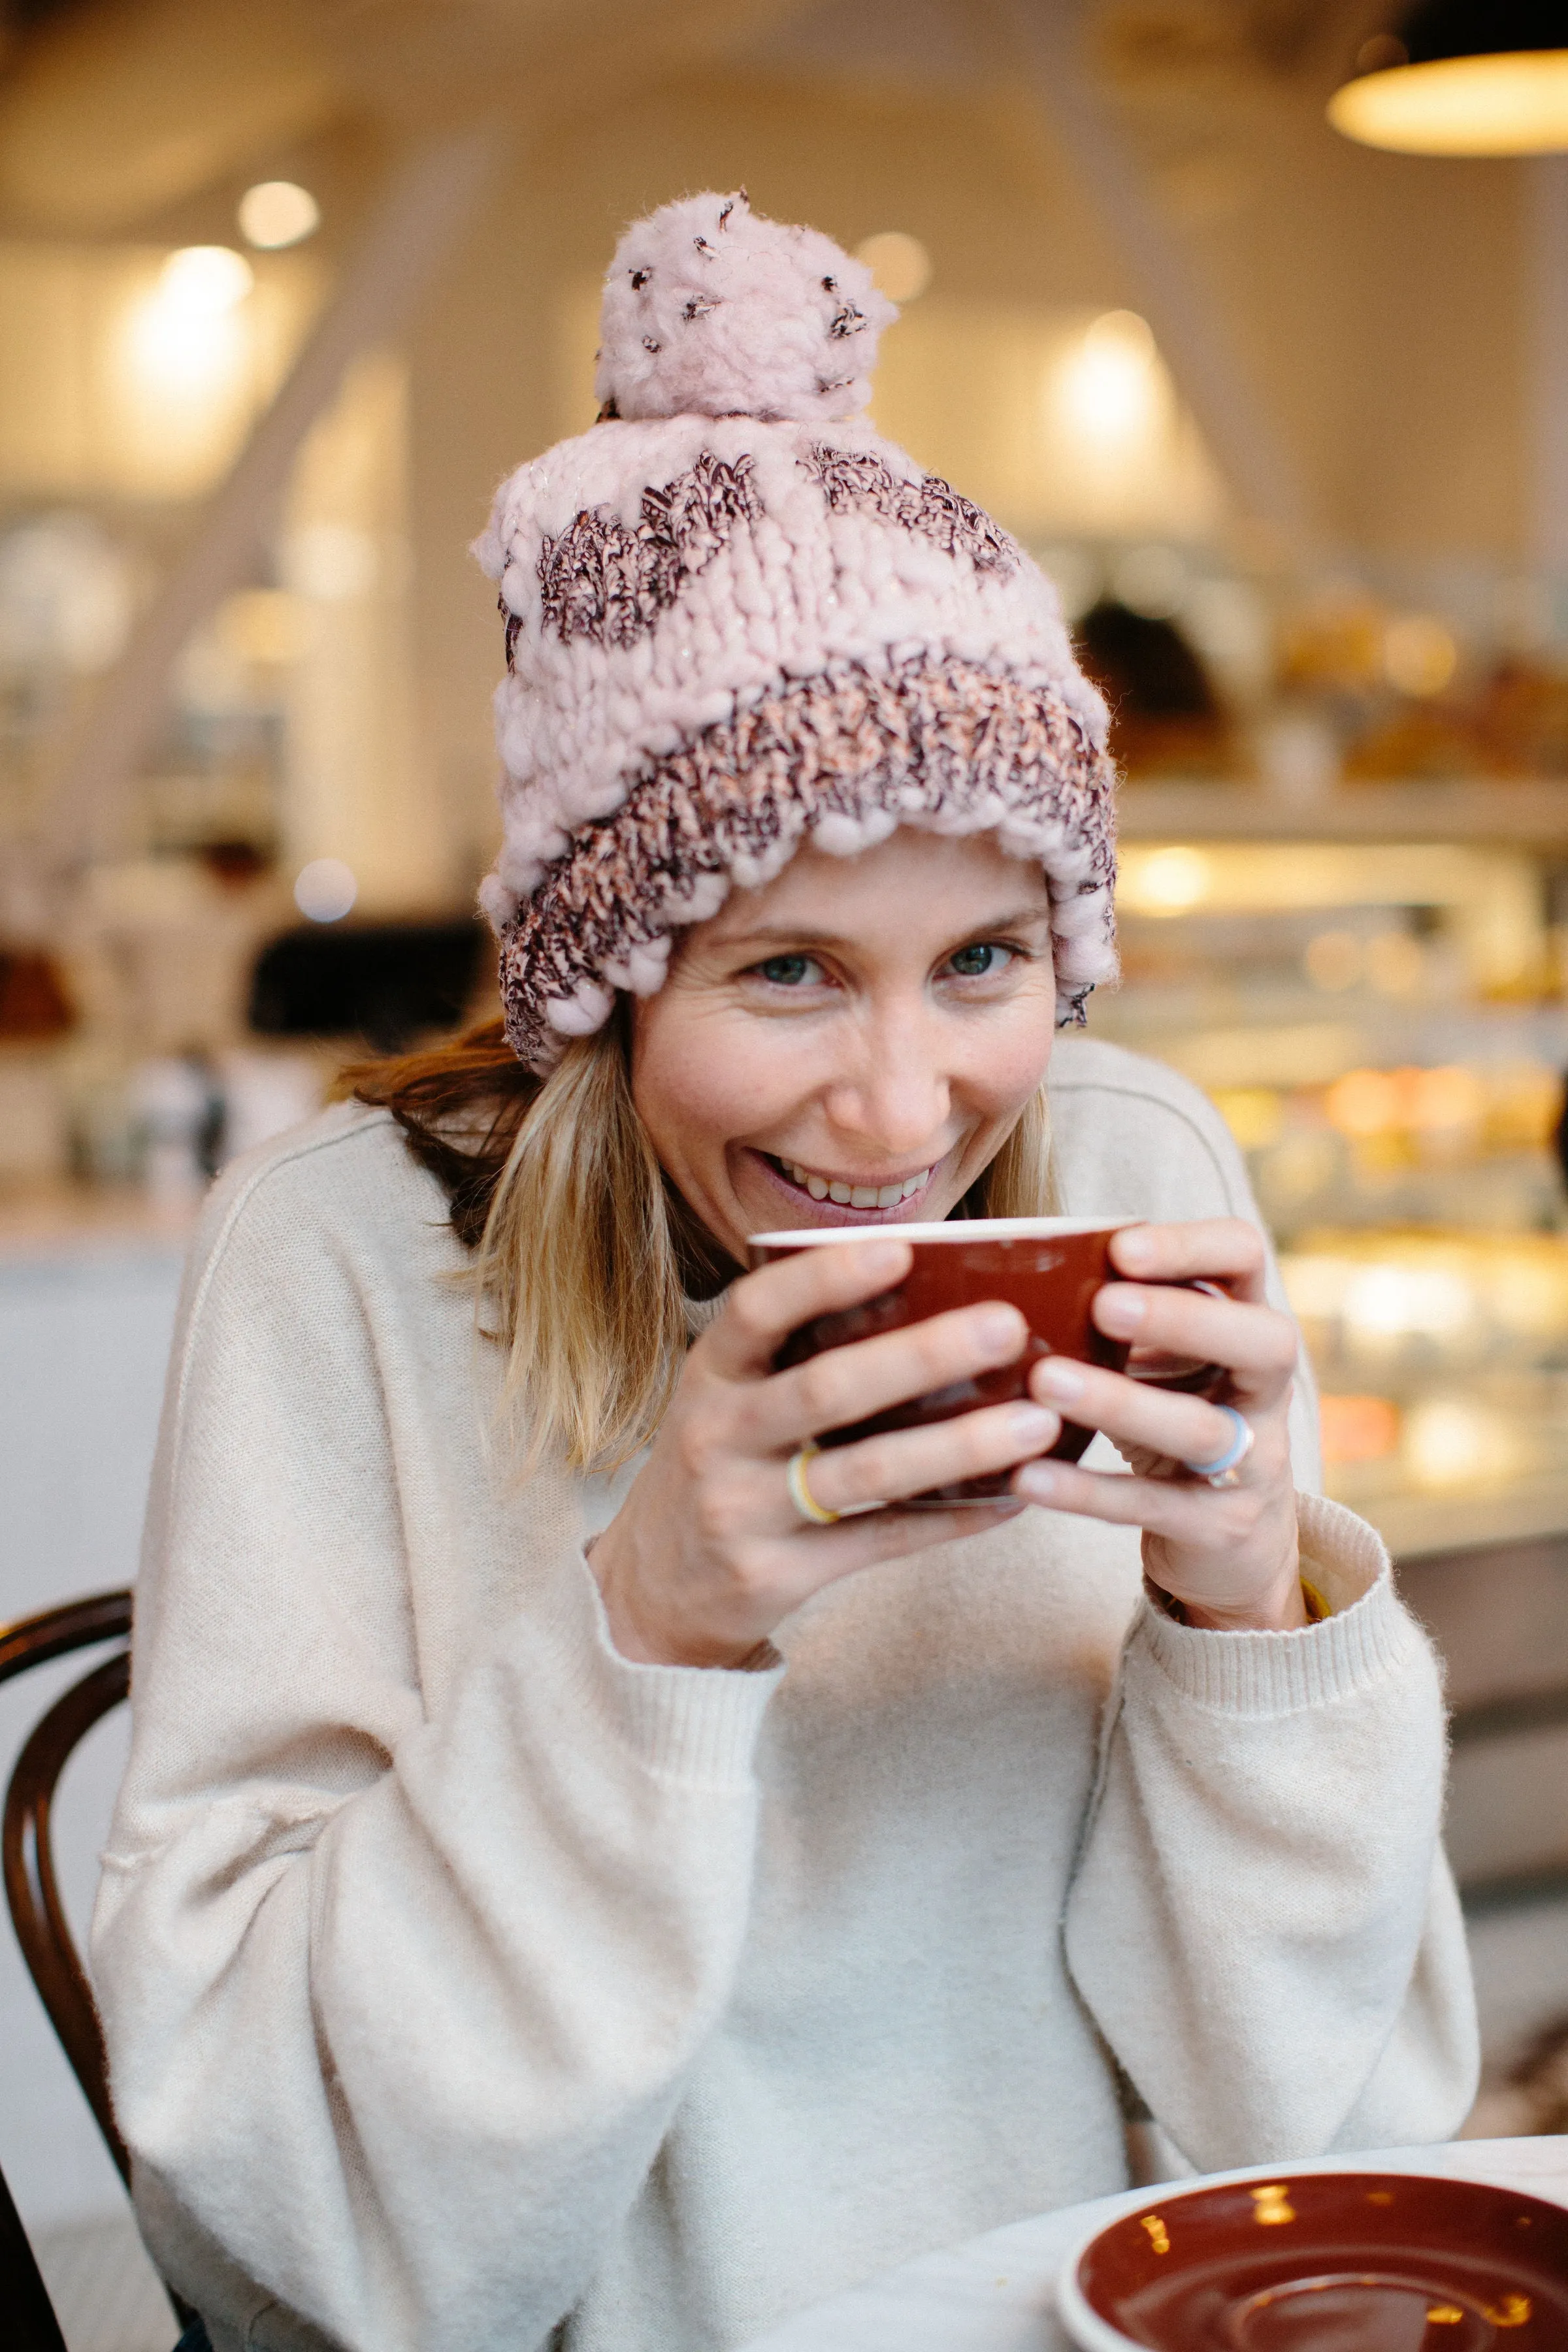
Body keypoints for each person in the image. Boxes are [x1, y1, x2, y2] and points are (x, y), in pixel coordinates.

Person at [93, 193, 1477, 2352]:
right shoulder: (341, 1265)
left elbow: (1326, 2138)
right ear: (609, 980)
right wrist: (653, 1627)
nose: (903, 1111)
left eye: (988, 958)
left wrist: (1250, 1616)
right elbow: (287, 2248)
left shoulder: (1121, 1159)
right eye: (793, 970)